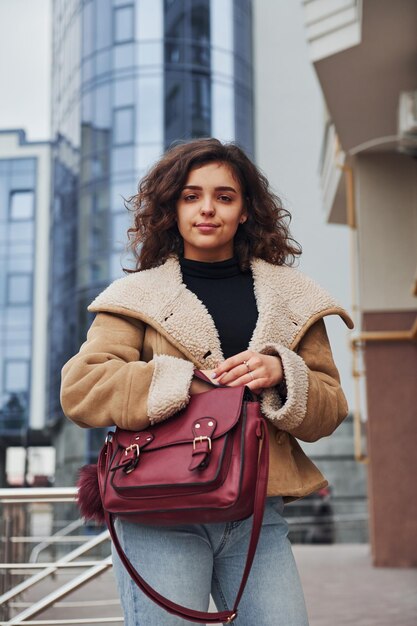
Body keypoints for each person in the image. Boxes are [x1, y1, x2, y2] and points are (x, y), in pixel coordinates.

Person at [61, 138, 353, 626]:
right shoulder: (137, 296)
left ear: (245, 211)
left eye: (224, 196)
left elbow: (331, 406)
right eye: (191, 196)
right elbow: (83, 387)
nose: (207, 209)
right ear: (171, 208)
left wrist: (283, 372)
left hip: (256, 510)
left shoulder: (293, 298)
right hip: (158, 509)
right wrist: (185, 382)